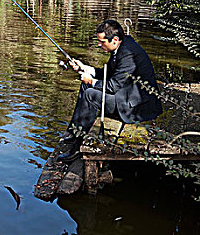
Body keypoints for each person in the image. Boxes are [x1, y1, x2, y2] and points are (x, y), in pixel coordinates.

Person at [57, 19, 163, 162]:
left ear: (115, 39)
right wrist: (86, 68)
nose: (99, 45)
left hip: (136, 107)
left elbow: (112, 86)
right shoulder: (122, 47)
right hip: (126, 95)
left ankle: (77, 149)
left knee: (90, 94)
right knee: (86, 87)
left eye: (102, 42)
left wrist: (91, 81)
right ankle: (74, 132)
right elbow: (109, 73)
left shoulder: (128, 54)